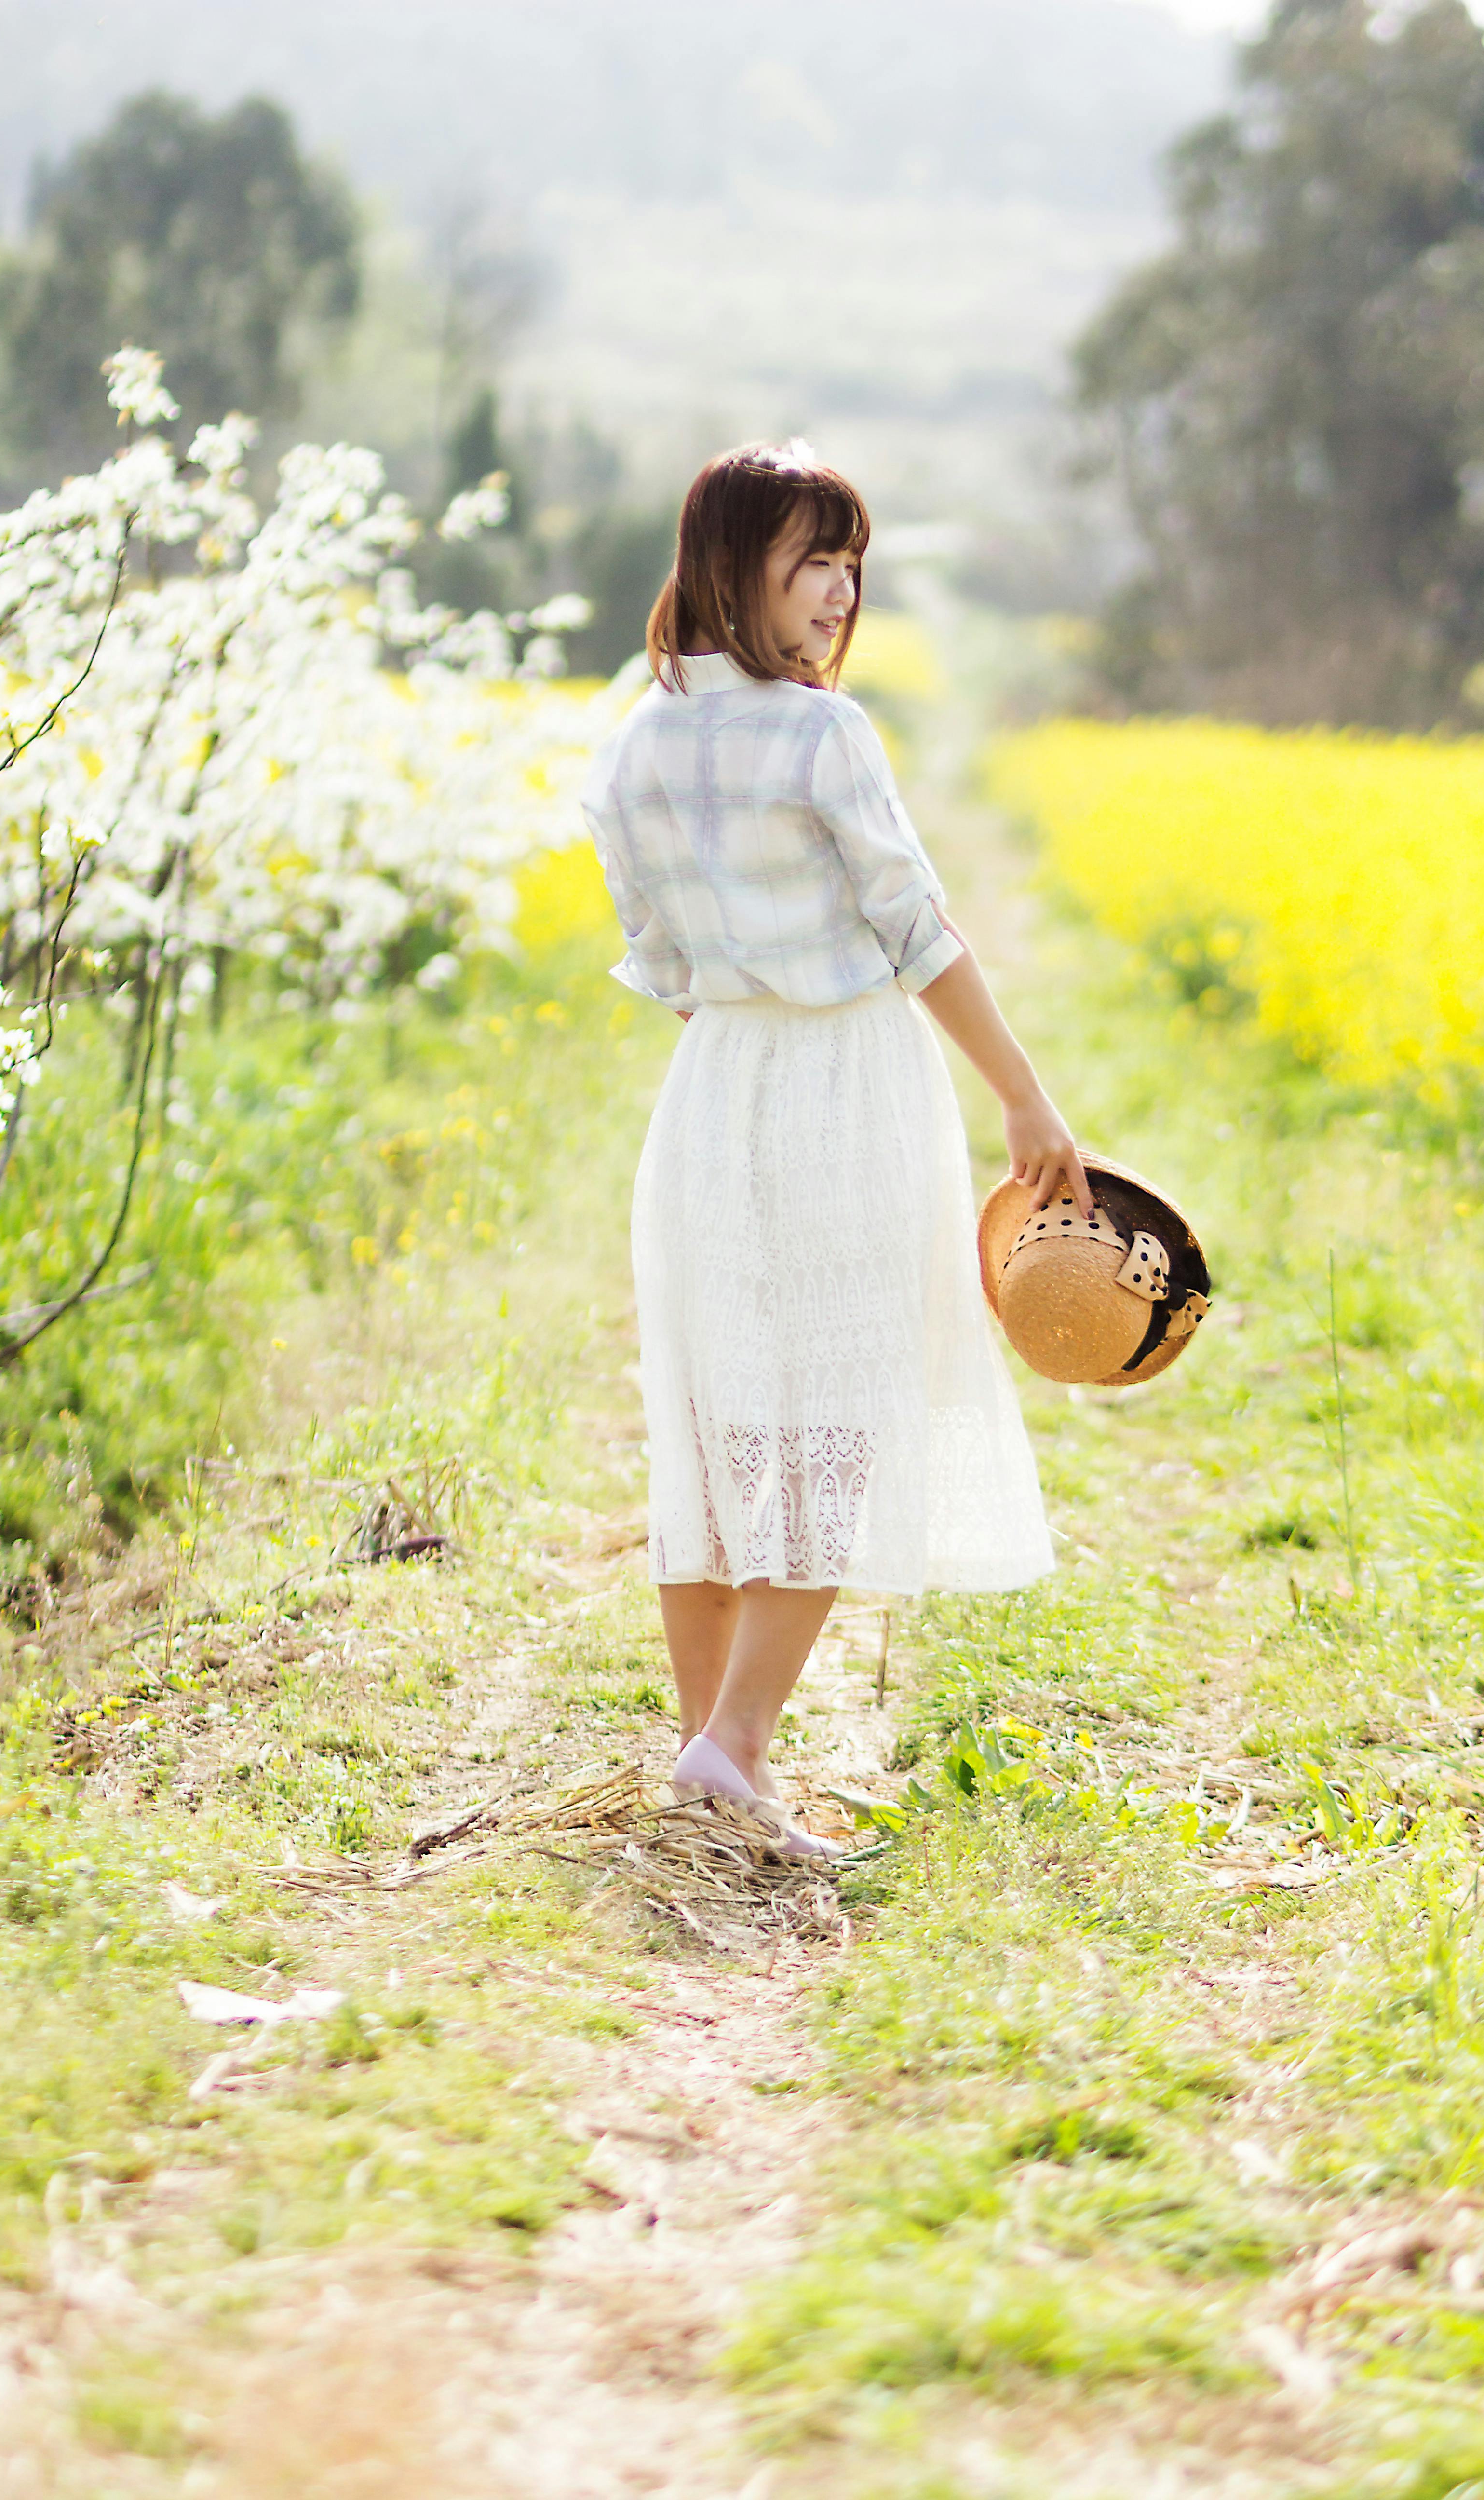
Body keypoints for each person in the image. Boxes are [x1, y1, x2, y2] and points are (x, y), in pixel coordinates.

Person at [581, 440, 1086, 1856]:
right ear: (731, 566)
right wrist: (1026, 1097)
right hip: (846, 1088)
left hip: (713, 1088)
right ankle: (734, 1749)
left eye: (850, 560)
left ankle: (716, 1764)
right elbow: (921, 935)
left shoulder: (633, 738)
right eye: (812, 558)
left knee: (718, 1424)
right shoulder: (823, 737)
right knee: (830, 1433)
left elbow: (663, 961)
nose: (840, 587)